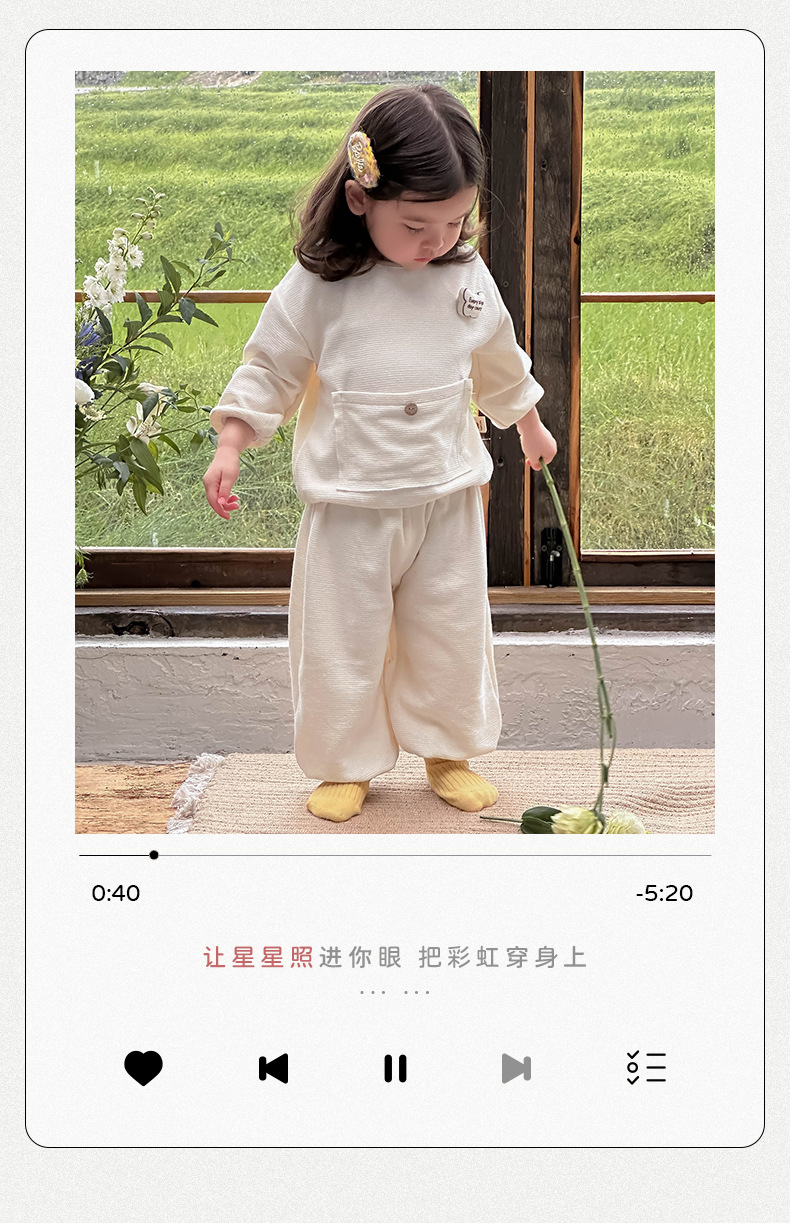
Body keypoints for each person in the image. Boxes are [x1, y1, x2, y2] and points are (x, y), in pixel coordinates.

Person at [203, 83, 557, 824]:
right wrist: (233, 438)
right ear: (360, 199)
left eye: (457, 221)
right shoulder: (320, 287)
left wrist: (526, 422)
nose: (438, 241)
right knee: (342, 641)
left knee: (449, 632)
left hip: (445, 497)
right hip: (350, 504)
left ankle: (447, 749)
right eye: (417, 225)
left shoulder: (463, 276)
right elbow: (269, 366)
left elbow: (497, 355)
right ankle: (346, 761)